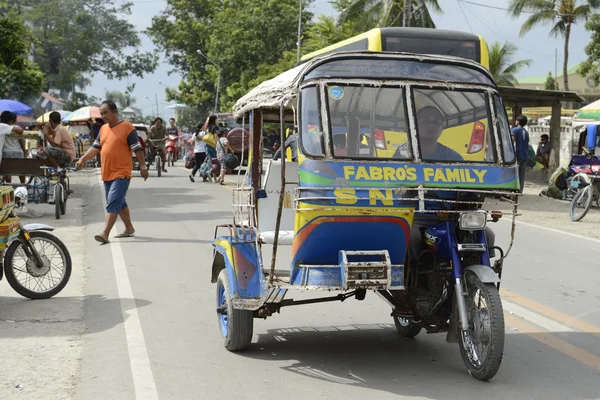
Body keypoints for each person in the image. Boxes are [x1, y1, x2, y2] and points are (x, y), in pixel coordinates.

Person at [75, 100, 148, 244]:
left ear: (114, 111)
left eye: (105, 113)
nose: (103, 116)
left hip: (122, 172)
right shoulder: (103, 129)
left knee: (113, 201)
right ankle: (129, 228)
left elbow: (137, 149)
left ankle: (105, 233)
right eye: (101, 114)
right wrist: (82, 160)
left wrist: (143, 167)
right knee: (119, 202)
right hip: (107, 172)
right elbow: (95, 147)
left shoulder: (127, 127)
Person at [0, 111, 26, 183]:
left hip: (6, 151)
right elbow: (22, 140)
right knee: (21, 170)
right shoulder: (7, 127)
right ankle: (23, 184)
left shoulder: (5, 127)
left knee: (7, 171)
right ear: (11, 120)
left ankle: (8, 185)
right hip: (18, 151)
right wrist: (25, 152)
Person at [511, 114, 530, 193]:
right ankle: (519, 190)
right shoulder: (526, 132)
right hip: (525, 155)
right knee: (521, 175)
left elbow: (511, 141)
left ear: (518, 121)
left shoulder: (515, 130)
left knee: (513, 173)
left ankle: (513, 190)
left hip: (517, 155)